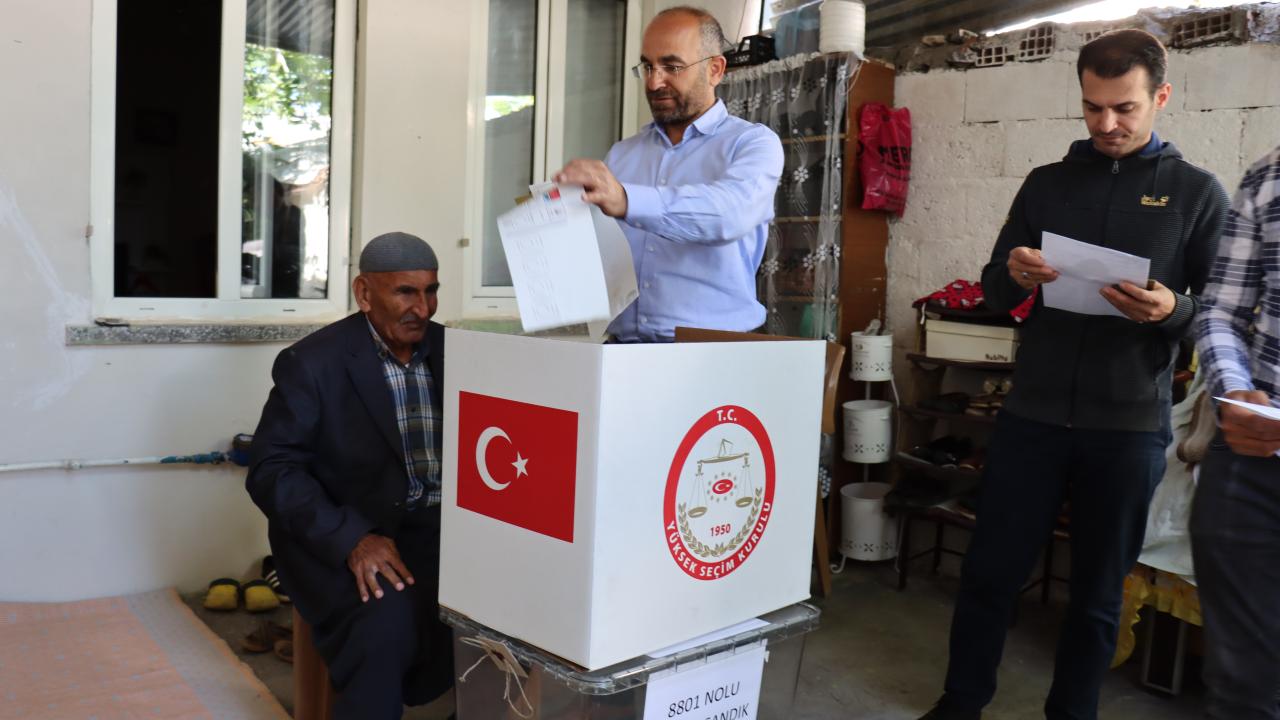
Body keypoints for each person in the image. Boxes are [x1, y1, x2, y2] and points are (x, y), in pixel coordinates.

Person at [920, 30, 1228, 720]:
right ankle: (960, 704)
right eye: (1093, 107)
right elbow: (994, 287)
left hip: (1127, 428)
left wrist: (1173, 309)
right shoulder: (1047, 185)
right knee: (988, 575)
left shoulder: (1196, 194)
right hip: (1032, 416)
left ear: (1161, 97)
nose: (1107, 124)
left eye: (1125, 107)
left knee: (1096, 594)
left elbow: (1221, 320)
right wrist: (1015, 274)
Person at [247, 232, 454, 720]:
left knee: (512, 610)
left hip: (440, 529)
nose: (423, 308)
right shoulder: (311, 363)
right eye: (406, 292)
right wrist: (353, 539)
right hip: (353, 531)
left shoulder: (456, 351)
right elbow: (272, 469)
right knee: (384, 621)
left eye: (431, 291)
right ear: (364, 293)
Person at [553, 6, 783, 342]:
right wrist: (554, 221)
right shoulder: (622, 154)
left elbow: (728, 214)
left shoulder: (752, 144)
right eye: (648, 66)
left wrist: (627, 200)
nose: (654, 81)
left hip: (712, 354)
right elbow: (597, 254)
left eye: (672, 67)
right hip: (621, 351)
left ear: (715, 69)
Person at [1190, 145, 1280, 720]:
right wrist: (1233, 388)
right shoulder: (1270, 175)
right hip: (1253, 453)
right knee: (1241, 686)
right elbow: (1220, 310)